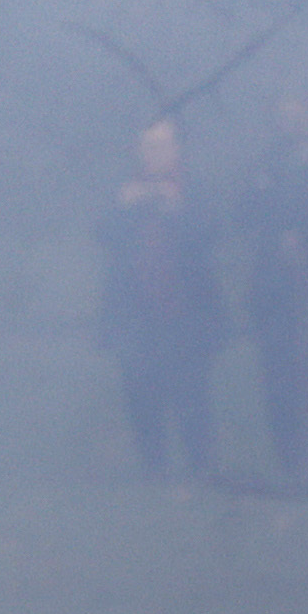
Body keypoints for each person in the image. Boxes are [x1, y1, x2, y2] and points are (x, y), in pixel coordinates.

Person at [96, 117, 221, 478]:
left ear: (177, 149)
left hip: (187, 311)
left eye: (163, 146)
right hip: (135, 313)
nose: (155, 155)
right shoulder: (124, 190)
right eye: (148, 147)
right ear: (138, 151)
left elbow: (211, 233)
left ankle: (201, 467)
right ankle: (154, 469)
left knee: (193, 393)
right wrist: (124, 208)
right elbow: (102, 235)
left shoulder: (194, 188)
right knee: (140, 393)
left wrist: (178, 208)